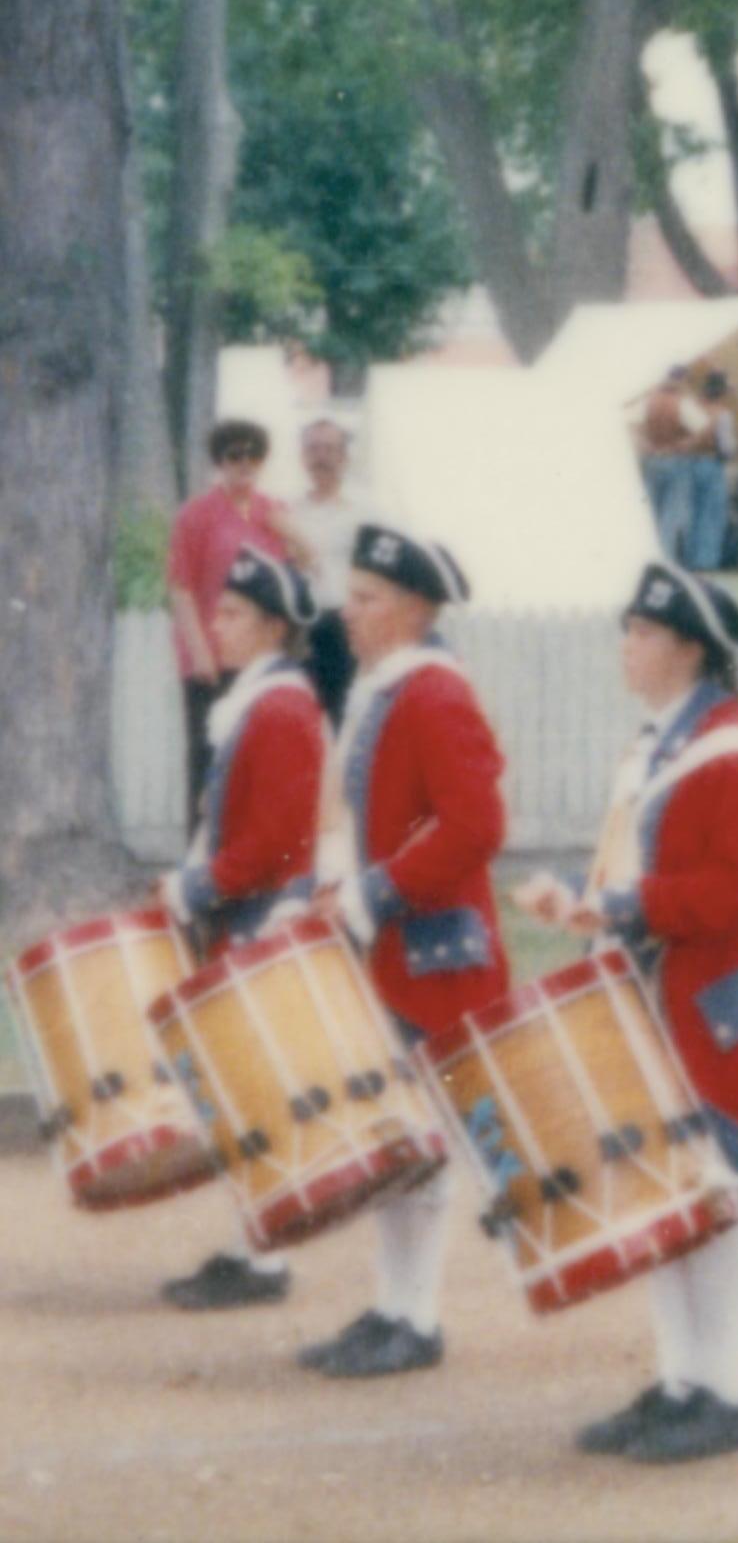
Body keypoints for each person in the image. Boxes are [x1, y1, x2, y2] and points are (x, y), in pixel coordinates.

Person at [518, 560, 738, 1463]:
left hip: (709, 1003)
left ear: (685, 645)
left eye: (639, 632)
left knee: (710, 1197)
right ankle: (683, 1382)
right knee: (664, 1198)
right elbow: (634, 868)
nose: (625, 647)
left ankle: (726, 1392)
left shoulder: (732, 750)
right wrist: (584, 901)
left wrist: (626, 909)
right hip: (656, 995)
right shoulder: (660, 742)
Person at [300, 523, 510, 1381]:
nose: (346, 612)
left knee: (421, 1140)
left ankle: (414, 1318)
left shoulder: (431, 694)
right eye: (349, 595)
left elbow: (476, 825)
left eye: (366, 598)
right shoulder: (387, 687)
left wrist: (376, 891)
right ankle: (395, 1308)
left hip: (433, 953)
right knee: (399, 1136)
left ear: (415, 609)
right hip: (393, 944)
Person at [155, 548, 326, 1313]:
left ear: (269, 626)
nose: (214, 625)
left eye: (229, 614)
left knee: (254, 1091)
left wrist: (197, 884)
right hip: (239, 918)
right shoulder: (258, 702)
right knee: (239, 1093)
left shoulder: (282, 708)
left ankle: (263, 1259)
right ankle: (247, 1247)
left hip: (260, 923)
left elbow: (277, 844)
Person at [166, 418, 313, 832]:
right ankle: (201, 853)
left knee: (258, 755)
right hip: (212, 656)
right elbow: (180, 588)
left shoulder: (275, 511)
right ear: (220, 461)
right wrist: (199, 652)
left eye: (253, 455)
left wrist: (289, 532)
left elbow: (304, 570)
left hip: (260, 657)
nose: (244, 464)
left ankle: (247, 854)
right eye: (234, 455)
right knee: (209, 754)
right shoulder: (196, 514)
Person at [289, 417, 368, 724]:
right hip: (300, 628)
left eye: (330, 449)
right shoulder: (288, 511)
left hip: (345, 626)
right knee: (299, 720)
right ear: (303, 457)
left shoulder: (366, 511)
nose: (321, 456)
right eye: (313, 449)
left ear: (345, 456)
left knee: (344, 718)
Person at [636, 368, 707, 560]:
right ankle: (665, 556)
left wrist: (645, 444)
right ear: (681, 379)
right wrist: (684, 444)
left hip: (651, 458)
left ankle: (648, 555)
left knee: (650, 510)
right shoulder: (682, 402)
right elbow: (702, 427)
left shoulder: (648, 401)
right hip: (675, 458)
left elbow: (633, 424)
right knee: (672, 512)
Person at [690, 371, 738, 571]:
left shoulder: (695, 409)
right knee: (713, 514)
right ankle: (707, 560)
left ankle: (692, 558)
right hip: (712, 463)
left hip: (691, 463)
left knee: (695, 512)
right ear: (722, 392)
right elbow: (726, 446)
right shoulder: (723, 414)